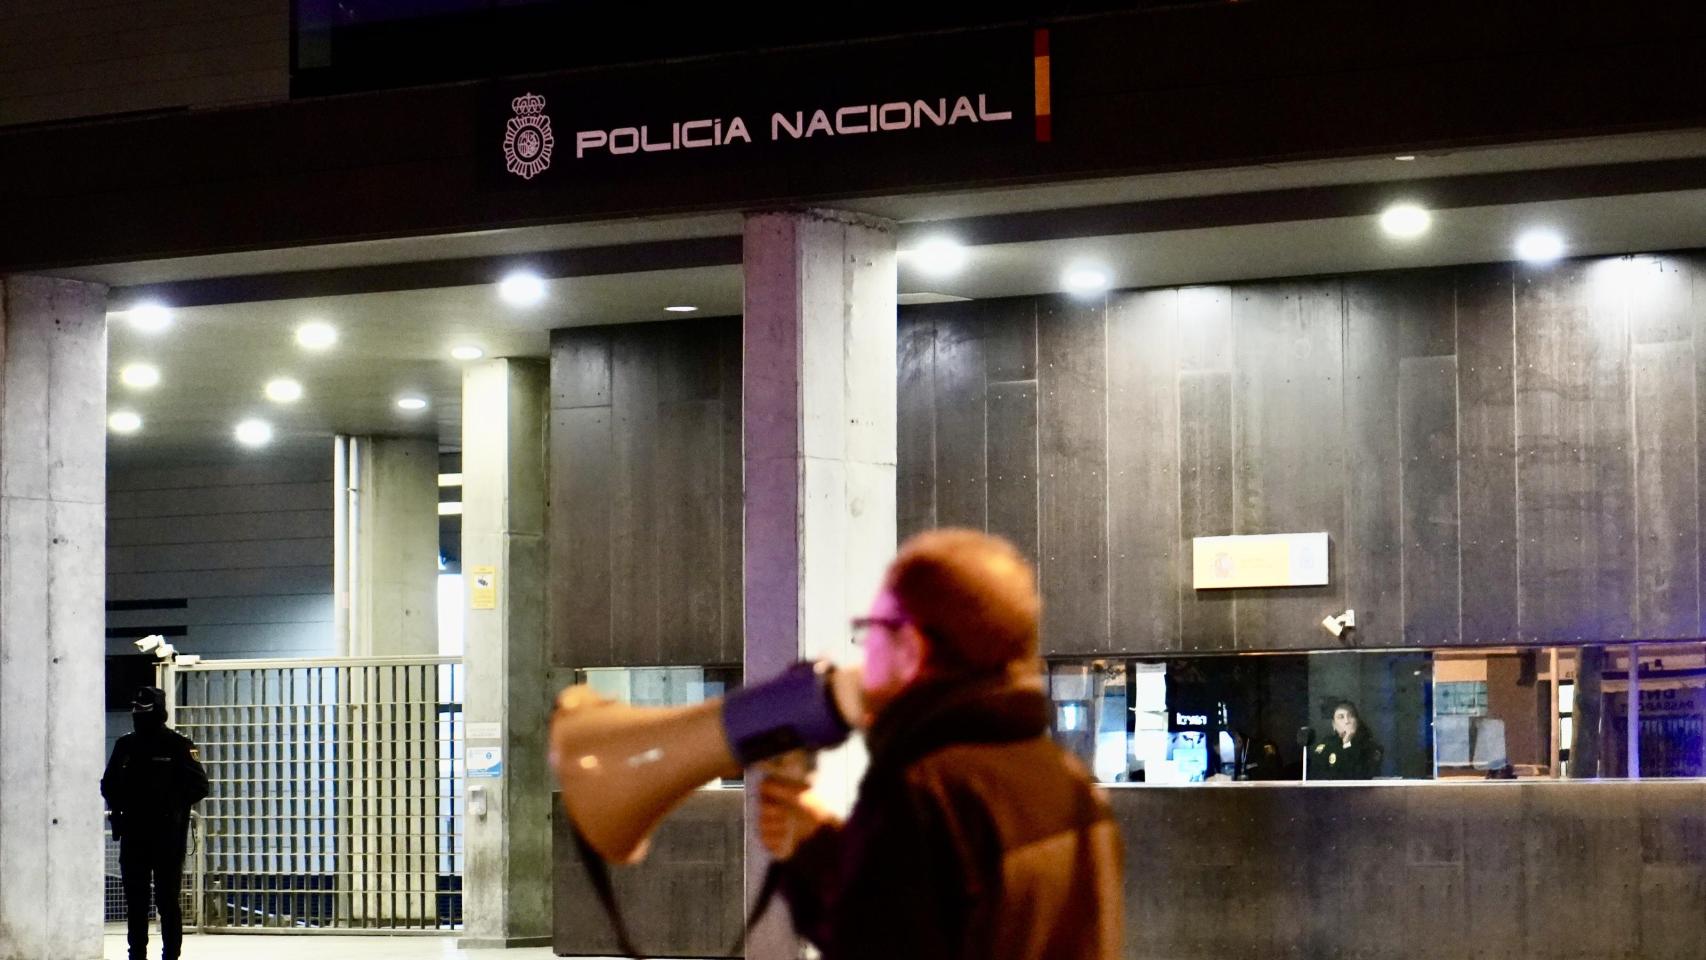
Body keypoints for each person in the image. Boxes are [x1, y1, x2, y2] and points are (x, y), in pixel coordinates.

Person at [757, 529, 1124, 960]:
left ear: (911, 648)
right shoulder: (1068, 779)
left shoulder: (923, 793)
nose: (863, 654)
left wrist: (811, 853)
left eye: (872, 630)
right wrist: (834, 847)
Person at [102, 686, 209, 960]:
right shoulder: (125, 745)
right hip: (135, 836)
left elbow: (199, 786)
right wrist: (124, 805)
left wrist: (168, 805)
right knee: (137, 903)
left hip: (167, 838)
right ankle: (137, 954)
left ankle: (169, 955)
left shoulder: (178, 745)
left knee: (167, 902)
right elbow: (108, 784)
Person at [1311, 699, 1383, 780]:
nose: (1347, 721)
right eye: (1341, 717)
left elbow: (1359, 775)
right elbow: (1318, 774)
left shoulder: (1369, 746)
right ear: (1334, 724)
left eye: (1351, 716)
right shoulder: (1326, 744)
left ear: (1357, 721)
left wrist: (1347, 743)